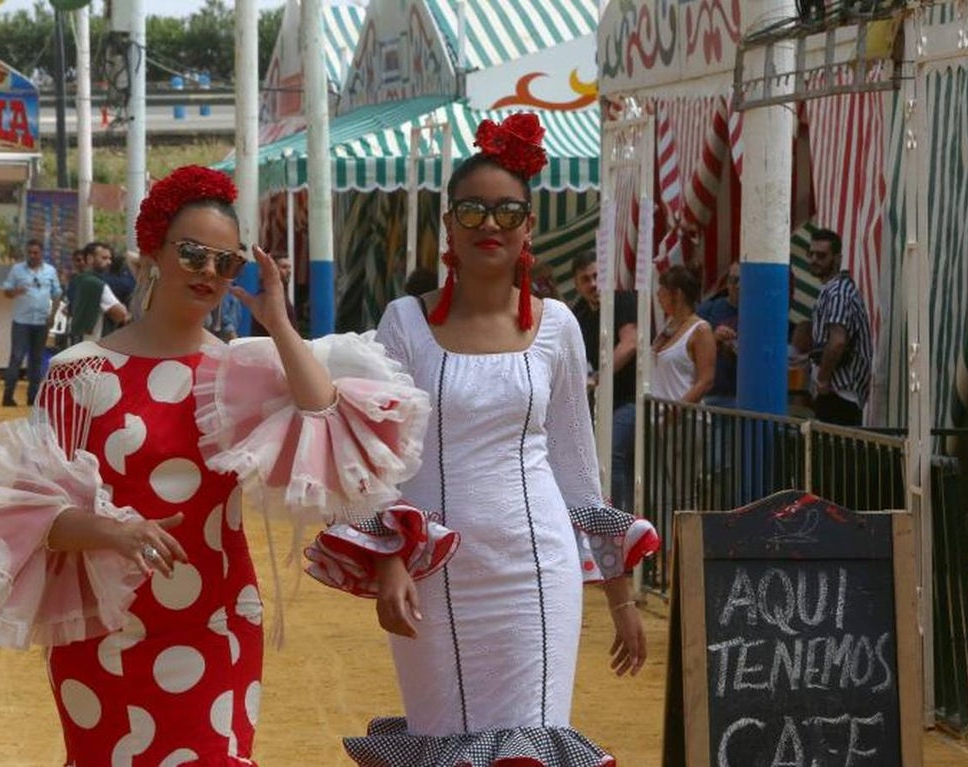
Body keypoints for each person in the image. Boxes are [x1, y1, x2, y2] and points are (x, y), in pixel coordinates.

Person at [0, 165, 429, 765]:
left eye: (226, 263)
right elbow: (31, 518)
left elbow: (327, 425)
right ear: (152, 251)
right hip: (104, 633)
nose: (209, 273)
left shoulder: (240, 372)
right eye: (193, 254)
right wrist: (111, 530)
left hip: (217, 622)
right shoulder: (79, 372)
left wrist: (278, 322)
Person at [305, 113, 659, 766]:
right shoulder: (404, 322)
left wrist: (619, 594)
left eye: (506, 211)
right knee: (444, 739)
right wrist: (387, 559)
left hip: (537, 571)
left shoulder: (557, 328)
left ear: (529, 225)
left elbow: (578, 474)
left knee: (535, 741)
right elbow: (375, 458)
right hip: (434, 575)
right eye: (471, 210)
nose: (488, 225)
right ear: (448, 226)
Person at [570, 251, 638, 512]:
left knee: (611, 454)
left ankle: (616, 519)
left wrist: (596, 379)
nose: (593, 284)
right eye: (586, 279)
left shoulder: (621, 298)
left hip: (632, 400)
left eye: (597, 276)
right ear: (577, 284)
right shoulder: (579, 312)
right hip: (599, 404)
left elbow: (630, 343)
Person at [807, 228, 872, 426]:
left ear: (837, 258)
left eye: (821, 255)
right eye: (811, 254)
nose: (814, 260)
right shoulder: (834, 290)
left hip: (839, 394)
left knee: (829, 456)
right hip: (839, 395)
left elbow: (837, 340)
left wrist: (823, 379)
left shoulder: (838, 293)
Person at [1, 238, 62, 406]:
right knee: (17, 357)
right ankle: (8, 395)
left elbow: (57, 294)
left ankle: (33, 397)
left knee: (36, 359)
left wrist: (52, 315)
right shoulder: (17, 270)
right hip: (22, 320)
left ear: (42, 253)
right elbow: (6, 292)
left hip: (41, 321)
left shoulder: (50, 271)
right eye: (30, 252)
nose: (32, 255)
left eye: (36, 252)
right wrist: (15, 291)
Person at [650, 265, 716, 404]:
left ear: (677, 294)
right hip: (658, 417)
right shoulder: (668, 325)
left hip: (685, 419)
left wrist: (676, 410)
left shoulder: (701, 330)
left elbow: (706, 380)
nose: (658, 294)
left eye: (663, 289)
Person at [696, 260, 739, 407]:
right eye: (734, 280)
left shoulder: (760, 316)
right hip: (711, 395)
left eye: (744, 281)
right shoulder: (708, 310)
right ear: (727, 282)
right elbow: (689, 350)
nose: (738, 286)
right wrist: (713, 339)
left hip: (744, 397)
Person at [67, 242, 129, 343]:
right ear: (90, 258)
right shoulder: (97, 285)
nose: (109, 262)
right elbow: (121, 314)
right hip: (95, 343)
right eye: (104, 258)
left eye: (110, 258)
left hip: (77, 340)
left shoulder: (77, 281)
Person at [250, 252, 297, 335]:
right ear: (273, 269)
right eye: (284, 267)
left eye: (289, 267)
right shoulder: (267, 295)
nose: (289, 271)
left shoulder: (280, 293)